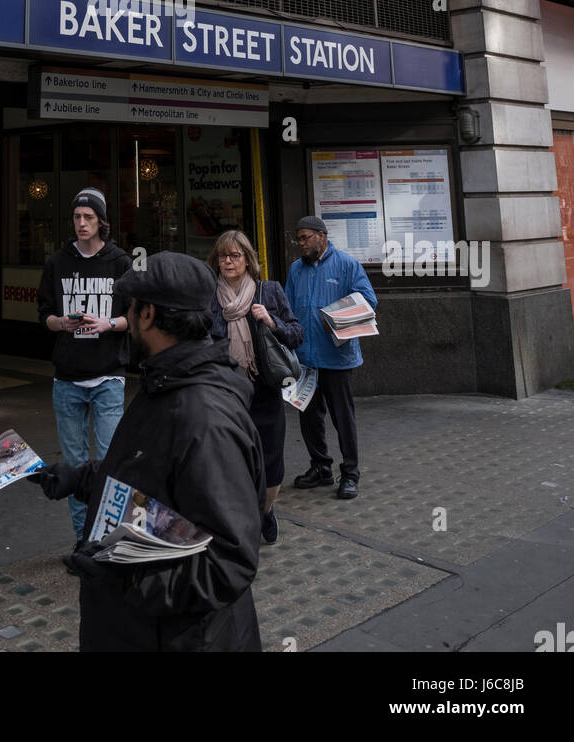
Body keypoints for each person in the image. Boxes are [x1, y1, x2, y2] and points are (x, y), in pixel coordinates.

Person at [32, 252, 266, 653]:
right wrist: (84, 477)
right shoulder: (166, 382)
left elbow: (228, 562)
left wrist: (125, 579)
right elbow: (152, 476)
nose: (125, 317)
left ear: (147, 315)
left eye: (131, 307)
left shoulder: (202, 416)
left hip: (182, 639)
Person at [37, 188, 132, 553]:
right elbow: (42, 314)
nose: (81, 223)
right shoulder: (57, 262)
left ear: (100, 221)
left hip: (108, 376)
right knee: (75, 466)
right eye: (77, 217)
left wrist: (108, 323)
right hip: (68, 378)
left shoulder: (120, 262)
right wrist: (58, 322)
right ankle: (83, 539)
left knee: (109, 462)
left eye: (88, 217)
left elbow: (134, 318)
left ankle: (109, 537)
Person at [208, 229, 303, 544]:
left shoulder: (269, 291)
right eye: (223, 255)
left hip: (264, 389)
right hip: (226, 391)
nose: (228, 261)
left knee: (271, 460)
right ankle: (239, 519)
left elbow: (296, 333)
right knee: (230, 459)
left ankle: (266, 509)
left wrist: (271, 322)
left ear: (248, 260)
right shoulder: (209, 296)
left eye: (235, 255)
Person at [285, 216, 378, 500]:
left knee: (343, 419)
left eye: (305, 238)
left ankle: (350, 473)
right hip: (306, 359)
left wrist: (336, 315)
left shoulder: (347, 265)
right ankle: (320, 467)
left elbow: (368, 300)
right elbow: (288, 308)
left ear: (322, 236)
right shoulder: (295, 269)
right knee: (309, 418)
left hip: (337, 358)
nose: (301, 244)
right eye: (298, 239)